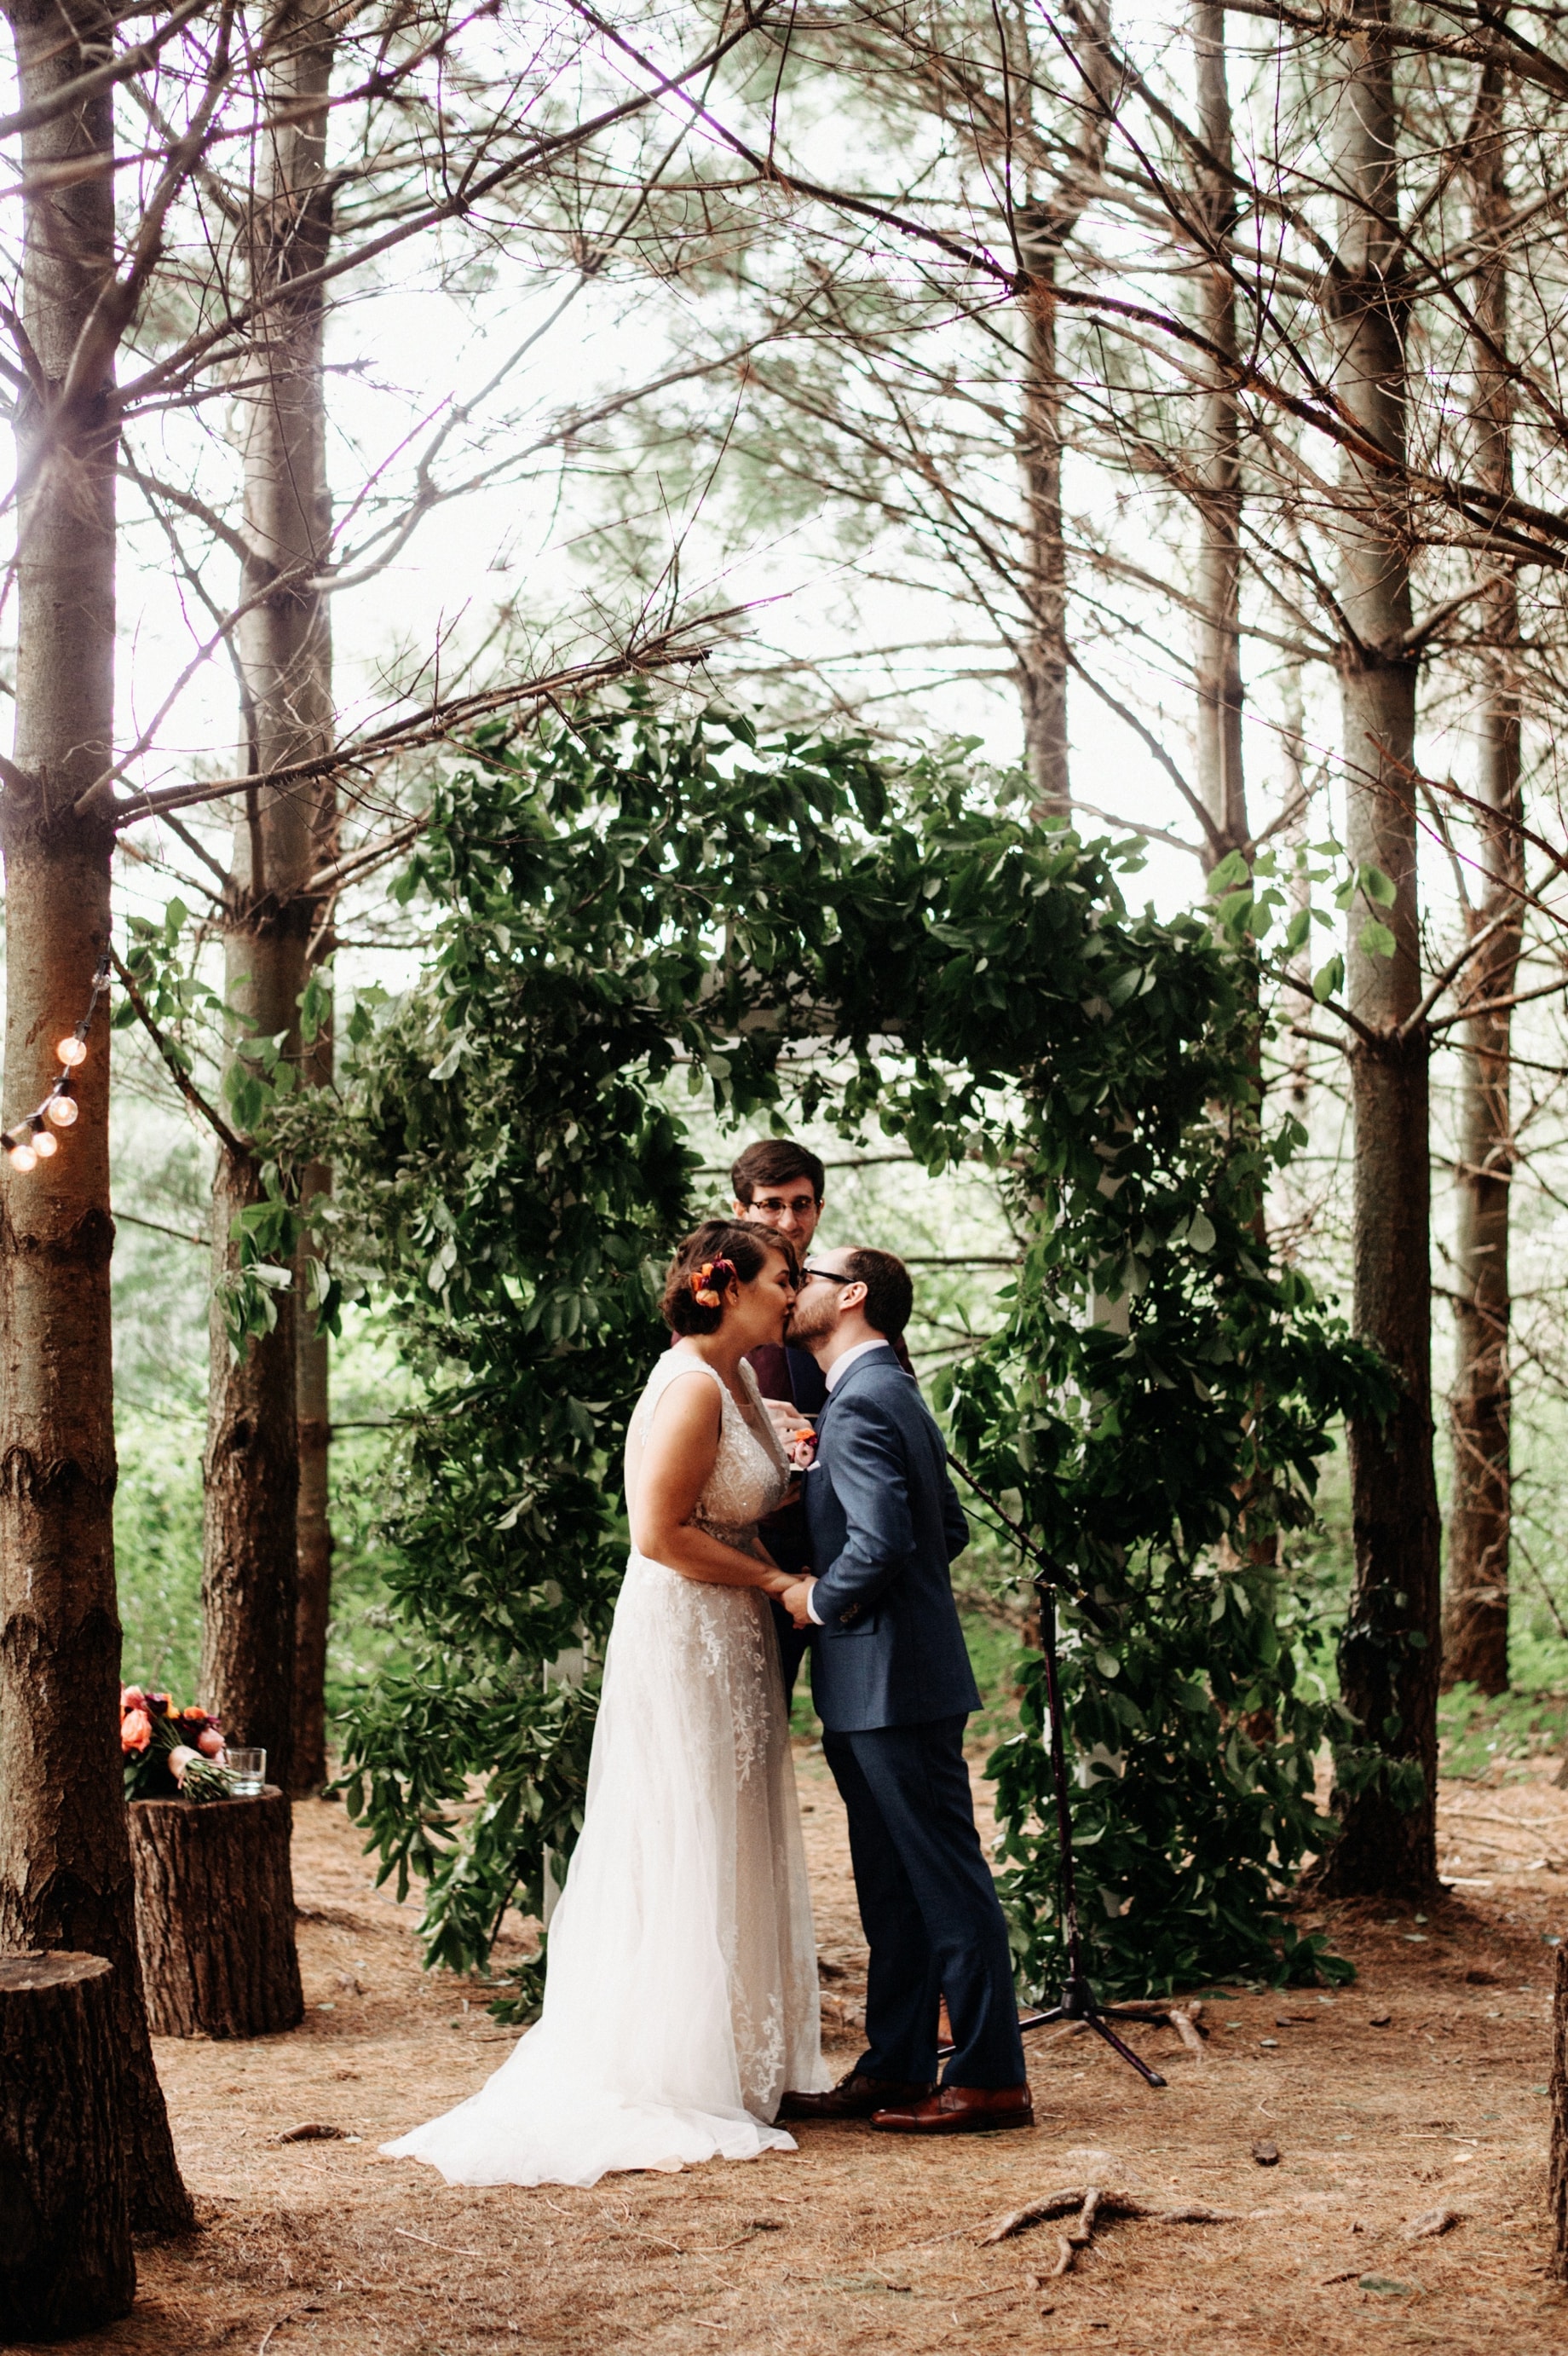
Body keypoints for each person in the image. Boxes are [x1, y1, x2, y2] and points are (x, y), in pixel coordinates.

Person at [381, 1221, 830, 2187]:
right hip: (689, 1629)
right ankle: (670, 2063)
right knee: (685, 1824)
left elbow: (737, 1485)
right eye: (778, 1279)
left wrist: (788, 1446)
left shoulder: (744, 1377)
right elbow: (658, 1532)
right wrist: (775, 1583)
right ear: (725, 1289)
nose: (791, 1292)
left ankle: (735, 2053)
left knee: (735, 1823)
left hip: (735, 1631)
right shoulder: (688, 1386)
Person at [777, 1245, 1034, 2137]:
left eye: (806, 1275)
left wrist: (821, 1596)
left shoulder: (865, 1398)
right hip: (879, 1677)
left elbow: (885, 1541)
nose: (790, 1286)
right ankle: (893, 2065)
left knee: (944, 1883)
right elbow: (944, 1529)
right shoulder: (876, 1394)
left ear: (850, 1296)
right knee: (893, 1888)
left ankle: (991, 2077)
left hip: (892, 1683)